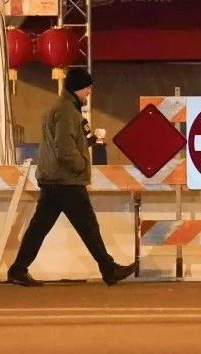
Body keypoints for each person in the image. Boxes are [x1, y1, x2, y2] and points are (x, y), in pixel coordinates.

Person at [7, 68, 137, 287]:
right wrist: (80, 166)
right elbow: (65, 148)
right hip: (66, 180)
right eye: (88, 88)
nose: (89, 93)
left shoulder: (62, 108)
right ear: (80, 88)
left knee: (40, 227)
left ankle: (18, 269)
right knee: (88, 226)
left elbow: (66, 141)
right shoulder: (67, 111)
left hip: (53, 179)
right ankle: (108, 269)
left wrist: (86, 143)